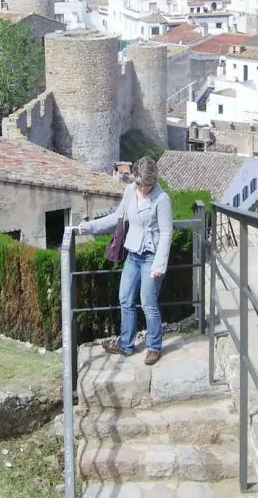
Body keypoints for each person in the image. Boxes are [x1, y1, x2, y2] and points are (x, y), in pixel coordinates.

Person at [78, 156, 174, 365]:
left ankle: (154, 347)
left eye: (147, 185)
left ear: (153, 181)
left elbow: (166, 234)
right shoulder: (130, 190)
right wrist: (90, 227)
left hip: (151, 256)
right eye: (139, 184)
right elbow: (117, 218)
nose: (142, 189)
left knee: (148, 303)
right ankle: (126, 344)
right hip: (133, 253)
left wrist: (159, 266)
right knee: (125, 299)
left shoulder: (162, 199)